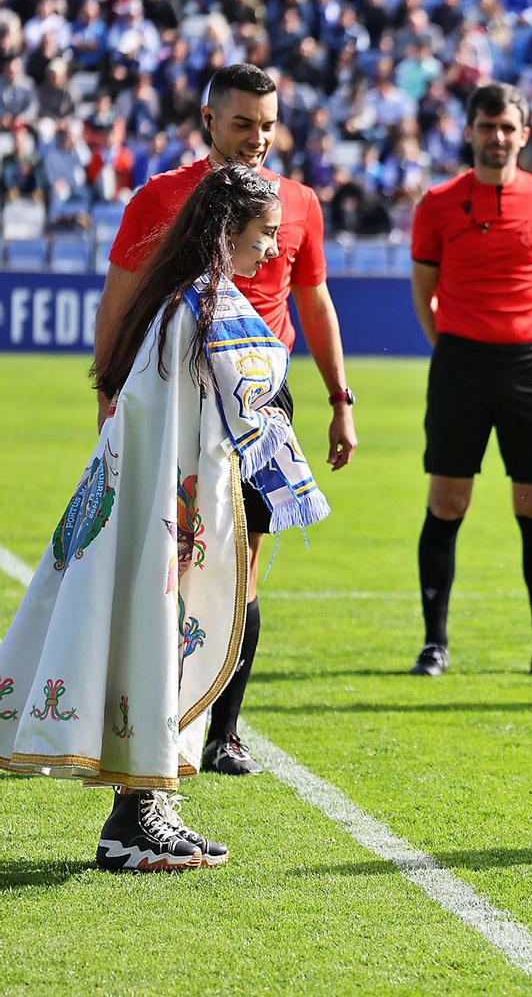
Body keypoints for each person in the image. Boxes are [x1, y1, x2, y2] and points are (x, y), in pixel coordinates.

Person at [0, 164, 330, 870]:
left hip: (160, 503)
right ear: (227, 229)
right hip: (170, 512)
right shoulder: (207, 305)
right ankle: (132, 820)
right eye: (266, 234)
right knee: (159, 644)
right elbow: (259, 400)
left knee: (158, 644)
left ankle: (149, 805)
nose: (273, 250)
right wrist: (296, 479)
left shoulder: (184, 298)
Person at [94, 63, 356, 778]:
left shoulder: (298, 200)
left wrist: (340, 398)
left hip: (259, 409)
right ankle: (152, 723)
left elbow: (316, 301)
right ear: (209, 121)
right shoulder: (160, 197)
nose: (258, 138)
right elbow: (119, 300)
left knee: (241, 574)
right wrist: (106, 398)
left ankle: (224, 732)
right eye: (243, 123)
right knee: (171, 567)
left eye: (269, 125)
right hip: (177, 403)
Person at [408, 81, 532, 678]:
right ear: (470, 130)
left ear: (524, 134)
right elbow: (424, 290)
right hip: (460, 364)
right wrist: (454, 348)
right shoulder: (437, 203)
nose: (497, 137)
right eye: (487, 126)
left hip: (531, 366)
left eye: (508, 127)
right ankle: (434, 644)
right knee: (448, 502)